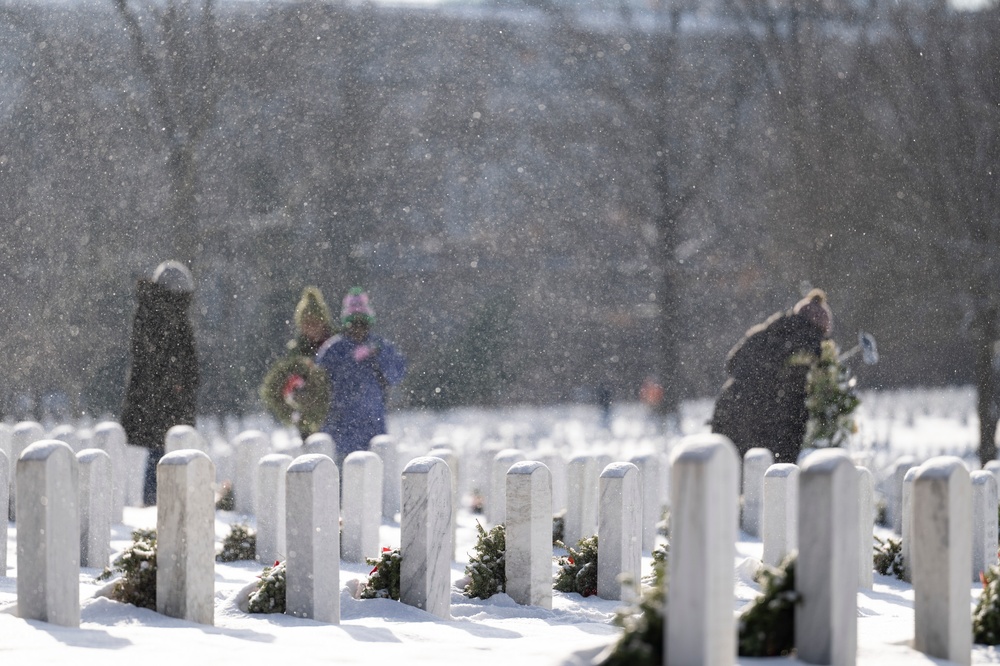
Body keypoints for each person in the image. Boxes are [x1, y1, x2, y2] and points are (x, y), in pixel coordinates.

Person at [710, 288, 833, 462]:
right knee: (770, 482)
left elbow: (731, 364)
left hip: (730, 410)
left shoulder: (764, 331)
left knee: (728, 481)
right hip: (771, 427)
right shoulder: (812, 345)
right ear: (822, 327)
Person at [121, 260, 200, 506]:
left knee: (167, 449)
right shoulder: (157, 313)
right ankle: (156, 501)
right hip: (159, 398)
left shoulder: (163, 312)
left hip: (164, 397)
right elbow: (154, 356)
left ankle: (163, 499)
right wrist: (173, 381)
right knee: (160, 450)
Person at [315, 287, 406, 462]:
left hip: (373, 425)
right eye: (353, 324)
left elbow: (397, 373)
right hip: (339, 426)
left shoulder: (379, 346)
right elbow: (319, 381)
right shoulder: (334, 349)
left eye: (362, 323)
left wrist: (379, 356)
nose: (358, 329)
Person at [259, 286, 335, 439]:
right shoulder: (295, 352)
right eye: (306, 323)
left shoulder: (336, 346)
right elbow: (278, 388)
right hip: (309, 424)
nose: (311, 327)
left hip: (337, 420)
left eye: (315, 322)